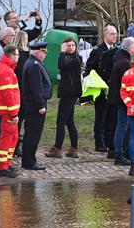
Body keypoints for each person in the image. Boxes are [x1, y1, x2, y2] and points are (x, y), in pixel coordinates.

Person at [45, 37, 82, 159]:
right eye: (68, 45)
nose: (71, 47)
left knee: (60, 121)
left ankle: (57, 149)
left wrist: (61, 52)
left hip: (70, 94)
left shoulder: (76, 59)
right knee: (69, 121)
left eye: (72, 45)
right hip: (67, 93)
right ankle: (73, 149)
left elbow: (61, 65)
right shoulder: (69, 58)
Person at [84, 24, 118, 152]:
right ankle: (99, 142)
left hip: (112, 88)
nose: (115, 36)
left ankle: (109, 141)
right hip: (101, 88)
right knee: (101, 116)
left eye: (115, 34)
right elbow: (89, 68)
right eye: (112, 34)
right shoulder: (98, 50)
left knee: (111, 116)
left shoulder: (115, 49)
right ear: (105, 35)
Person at [21, 42, 52, 170]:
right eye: (44, 52)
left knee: (31, 133)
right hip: (35, 106)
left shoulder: (32, 63)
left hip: (32, 105)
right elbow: (36, 88)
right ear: (39, 52)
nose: (45, 55)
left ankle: (28, 160)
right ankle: (29, 161)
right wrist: (40, 105)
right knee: (33, 134)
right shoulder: (34, 65)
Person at [109, 37, 134, 166]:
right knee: (122, 126)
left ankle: (126, 152)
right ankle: (119, 154)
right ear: (130, 48)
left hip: (119, 98)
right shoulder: (125, 63)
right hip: (123, 100)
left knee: (125, 126)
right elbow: (128, 84)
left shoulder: (120, 59)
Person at [0, 45, 21, 178]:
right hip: (8, 112)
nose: (18, 57)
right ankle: (2, 168)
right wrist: (14, 113)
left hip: (9, 111)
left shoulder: (5, 68)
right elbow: (8, 94)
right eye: (17, 55)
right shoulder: (6, 71)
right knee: (7, 139)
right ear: (10, 56)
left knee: (13, 138)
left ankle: (6, 164)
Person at [0, 26, 16, 148]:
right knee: (0, 115)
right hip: (0, 87)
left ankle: (2, 139)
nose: (13, 38)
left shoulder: (5, 49)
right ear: (5, 37)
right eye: (12, 35)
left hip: (4, 85)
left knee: (3, 116)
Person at [12, 30, 30, 157]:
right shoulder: (24, 56)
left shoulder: (13, 55)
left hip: (14, 90)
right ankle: (16, 147)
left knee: (15, 121)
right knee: (19, 120)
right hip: (22, 92)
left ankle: (14, 146)